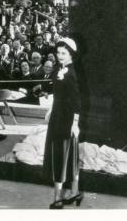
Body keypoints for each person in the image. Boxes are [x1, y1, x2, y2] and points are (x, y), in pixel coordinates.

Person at [43, 39, 82, 209]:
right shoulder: (60, 68)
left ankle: (58, 197)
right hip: (57, 115)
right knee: (66, 154)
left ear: (71, 54)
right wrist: (51, 107)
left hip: (67, 118)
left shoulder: (73, 72)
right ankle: (75, 192)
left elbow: (77, 101)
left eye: (63, 53)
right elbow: (57, 92)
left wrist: (75, 123)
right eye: (58, 53)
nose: (59, 57)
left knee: (62, 155)